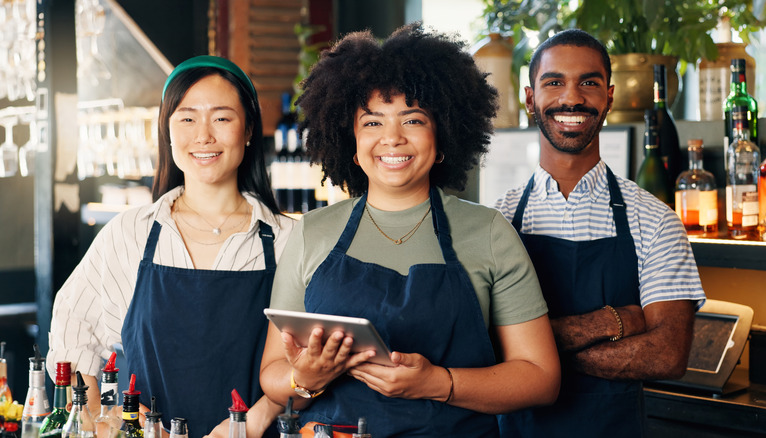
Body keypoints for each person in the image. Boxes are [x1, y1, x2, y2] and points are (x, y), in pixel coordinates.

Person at [259, 23, 560, 437]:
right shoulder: (312, 232)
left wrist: (440, 383)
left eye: (412, 119)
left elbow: (541, 378)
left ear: (443, 136)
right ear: (351, 140)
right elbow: (273, 375)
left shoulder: (488, 231)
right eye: (372, 123)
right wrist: (307, 377)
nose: (392, 139)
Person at [47, 55, 296, 438]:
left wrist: (253, 421)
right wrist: (100, 413)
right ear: (167, 130)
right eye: (187, 117)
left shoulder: (286, 240)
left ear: (248, 130)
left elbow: (309, 364)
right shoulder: (130, 233)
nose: (203, 135)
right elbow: (73, 332)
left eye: (222, 117)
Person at [493, 29, 707, 437]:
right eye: (554, 82)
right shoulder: (498, 220)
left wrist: (534, 354)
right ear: (529, 98)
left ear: (609, 97)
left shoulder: (656, 220)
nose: (571, 98)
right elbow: (481, 344)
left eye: (588, 83)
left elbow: (667, 354)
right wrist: (610, 322)